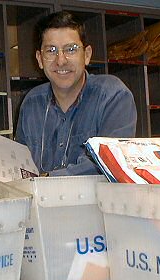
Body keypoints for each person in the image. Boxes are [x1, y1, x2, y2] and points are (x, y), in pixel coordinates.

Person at [16, 11, 137, 176]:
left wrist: (47, 179)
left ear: (86, 55)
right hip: (39, 200)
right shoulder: (31, 103)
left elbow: (107, 164)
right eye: (51, 51)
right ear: (39, 59)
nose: (61, 60)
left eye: (70, 49)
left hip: (97, 201)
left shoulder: (113, 96)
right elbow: (19, 162)